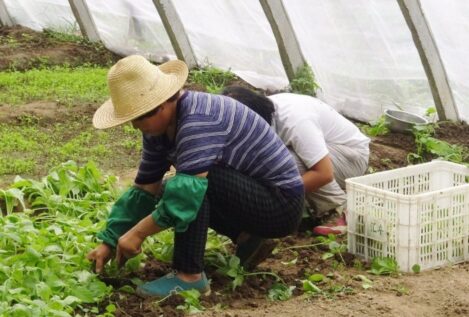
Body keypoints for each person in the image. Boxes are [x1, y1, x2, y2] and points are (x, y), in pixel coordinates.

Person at [86, 55, 304, 298]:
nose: (136, 126)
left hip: (281, 205)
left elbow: (185, 196)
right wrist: (110, 239)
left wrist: (137, 234)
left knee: (188, 186)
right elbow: (145, 188)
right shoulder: (158, 130)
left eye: (140, 116)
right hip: (254, 198)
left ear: (164, 102)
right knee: (175, 186)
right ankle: (249, 237)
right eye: (131, 119)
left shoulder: (198, 120)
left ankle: (189, 276)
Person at [222, 86, 370, 235]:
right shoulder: (264, 112)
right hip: (329, 155)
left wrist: (277, 196)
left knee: (284, 161)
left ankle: (336, 209)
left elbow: (324, 174)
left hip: (352, 156)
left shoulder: (294, 120)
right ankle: (306, 206)